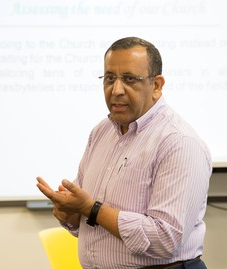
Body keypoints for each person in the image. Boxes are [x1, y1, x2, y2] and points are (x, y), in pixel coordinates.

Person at [36, 37, 212, 269]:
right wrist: (69, 213)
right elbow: (86, 219)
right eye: (109, 79)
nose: (116, 90)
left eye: (130, 79)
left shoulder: (179, 142)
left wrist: (92, 209)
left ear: (157, 86)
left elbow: (165, 239)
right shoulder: (101, 132)